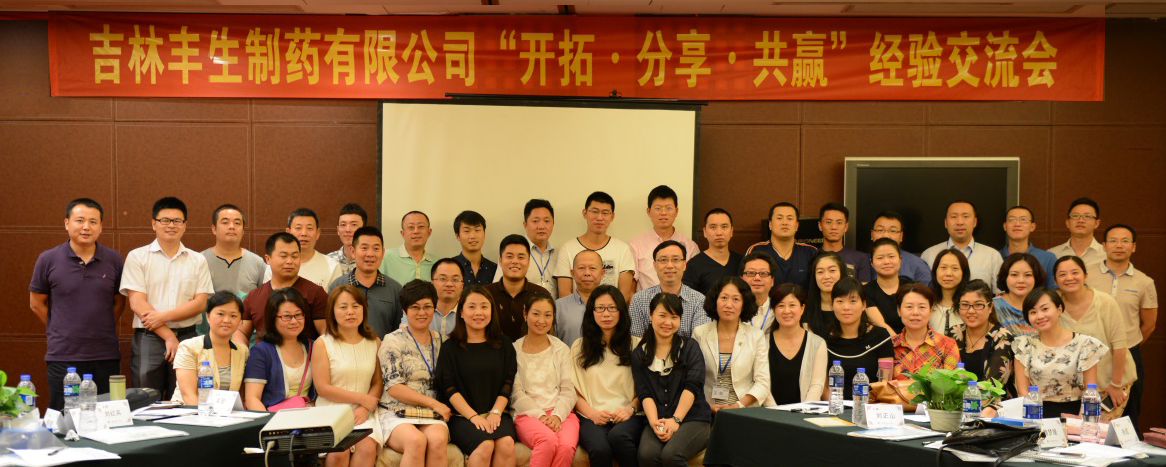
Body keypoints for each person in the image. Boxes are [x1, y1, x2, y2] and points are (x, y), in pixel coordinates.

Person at [29, 198, 125, 410]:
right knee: (63, 415)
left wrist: (101, 326)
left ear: (101, 226)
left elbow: (119, 302)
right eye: (80, 220)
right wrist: (59, 328)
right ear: (67, 223)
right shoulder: (48, 259)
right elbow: (36, 303)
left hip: (105, 355)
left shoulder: (113, 259)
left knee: (105, 415)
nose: (86, 227)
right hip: (63, 355)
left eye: (93, 222)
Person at [120, 196, 213, 400]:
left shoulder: (198, 260)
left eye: (177, 221)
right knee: (145, 399)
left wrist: (163, 317)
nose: (171, 225)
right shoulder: (137, 257)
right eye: (165, 220)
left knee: (185, 398)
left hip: (188, 337)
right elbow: (137, 302)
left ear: (185, 225)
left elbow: (200, 304)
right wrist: (169, 336)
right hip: (149, 338)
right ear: (153, 223)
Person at [434, 286, 518, 467]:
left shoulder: (504, 344)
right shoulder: (450, 348)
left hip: (497, 413)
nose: (478, 312)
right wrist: (473, 417)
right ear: (461, 312)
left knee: (506, 443)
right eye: (471, 307)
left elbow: (508, 382)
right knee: (485, 444)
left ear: (491, 311)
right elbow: (449, 389)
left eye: (484, 307)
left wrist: (495, 412)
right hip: (462, 416)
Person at [1088, 224, 1157, 428]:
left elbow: (1149, 324)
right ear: (1103, 246)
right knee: (1089, 412)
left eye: (1125, 241)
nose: (1119, 245)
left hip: (1128, 354)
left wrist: (1124, 348)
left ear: (1133, 247)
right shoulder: (1086, 275)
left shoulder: (1144, 282)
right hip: (1091, 353)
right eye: (1113, 241)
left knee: (1128, 413)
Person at [377, 280, 451, 467]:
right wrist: (434, 403)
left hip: (431, 413)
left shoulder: (443, 341)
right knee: (416, 440)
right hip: (395, 411)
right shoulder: (392, 340)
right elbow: (394, 388)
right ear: (404, 311)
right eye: (415, 307)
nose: (421, 312)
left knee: (438, 439)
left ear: (434, 308)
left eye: (427, 307)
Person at [632, 293, 711, 467]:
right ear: (650, 315)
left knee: (672, 455)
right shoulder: (640, 353)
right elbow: (644, 393)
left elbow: (692, 387)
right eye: (662, 315)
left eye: (674, 317)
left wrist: (675, 420)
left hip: (693, 418)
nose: (668, 322)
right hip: (658, 418)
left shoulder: (690, 347)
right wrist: (654, 422)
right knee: (646, 455)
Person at [1054, 256, 1136, 420]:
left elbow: (1120, 346)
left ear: (1086, 276)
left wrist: (1115, 385)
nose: (1069, 278)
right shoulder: (1054, 305)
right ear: (1055, 281)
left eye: (1075, 272)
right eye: (1062, 274)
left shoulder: (1105, 302)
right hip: (1074, 390)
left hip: (1110, 383)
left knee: (1098, 432)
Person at [571, 285, 644, 467]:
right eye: (600, 308)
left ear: (621, 312)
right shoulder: (579, 347)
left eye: (612, 308)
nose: (606, 314)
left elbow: (646, 389)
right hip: (592, 415)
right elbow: (573, 391)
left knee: (620, 438)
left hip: (630, 415)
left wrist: (629, 410)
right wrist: (593, 414)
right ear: (592, 312)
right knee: (599, 449)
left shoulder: (636, 345)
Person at [313, 285, 383, 467]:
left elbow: (377, 382)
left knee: (367, 448)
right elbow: (322, 388)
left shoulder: (374, 342)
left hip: (363, 411)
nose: (350, 312)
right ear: (332, 312)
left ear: (363, 309)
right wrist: (362, 398)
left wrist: (364, 408)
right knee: (339, 452)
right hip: (332, 410)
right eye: (343, 307)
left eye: (355, 306)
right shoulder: (323, 343)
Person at [1013, 288, 1106, 417]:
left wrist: (1080, 421)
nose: (1040, 316)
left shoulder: (1085, 344)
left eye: (1045, 309)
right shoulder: (1024, 345)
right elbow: (1023, 392)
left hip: (1074, 413)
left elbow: (1089, 391)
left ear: (1059, 309)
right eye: (1033, 312)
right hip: (1035, 414)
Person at [512, 293, 579, 467]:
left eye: (547, 315)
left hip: (561, 413)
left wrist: (556, 415)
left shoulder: (561, 349)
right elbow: (516, 393)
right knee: (547, 440)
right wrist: (540, 416)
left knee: (565, 446)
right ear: (525, 314)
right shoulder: (514, 351)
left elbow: (568, 390)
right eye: (536, 314)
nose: (541, 320)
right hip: (528, 414)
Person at [693, 277, 770, 411]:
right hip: (706, 409)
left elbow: (762, 383)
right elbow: (692, 378)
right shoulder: (700, 333)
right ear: (715, 301)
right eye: (724, 298)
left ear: (744, 304)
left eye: (736, 299)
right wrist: (707, 407)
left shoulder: (756, 336)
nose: (729, 305)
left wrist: (737, 406)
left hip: (743, 410)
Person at [238, 233, 329, 342]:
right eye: (283, 256)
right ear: (268, 259)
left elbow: (326, 336)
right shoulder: (254, 296)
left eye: (295, 256)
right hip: (263, 353)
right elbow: (241, 332)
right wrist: (242, 348)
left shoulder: (316, 293)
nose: (290, 261)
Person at [553, 192, 636, 303]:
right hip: (576, 313)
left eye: (605, 213)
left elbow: (624, 294)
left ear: (612, 217)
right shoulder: (568, 248)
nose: (599, 218)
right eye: (595, 212)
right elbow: (564, 293)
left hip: (611, 312)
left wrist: (604, 311)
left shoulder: (622, 249)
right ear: (585, 213)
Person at [243, 288, 316, 411]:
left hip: (309, 415)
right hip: (274, 417)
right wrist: (270, 422)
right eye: (286, 316)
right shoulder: (261, 352)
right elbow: (252, 399)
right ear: (273, 319)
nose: (294, 321)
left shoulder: (313, 347)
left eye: (298, 315)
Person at [949, 280, 1015, 414]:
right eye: (965, 305)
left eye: (978, 305)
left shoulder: (1002, 337)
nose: (971, 311)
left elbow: (990, 388)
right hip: (956, 409)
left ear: (990, 307)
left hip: (991, 411)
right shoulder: (954, 333)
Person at [173, 291, 249, 404]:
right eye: (220, 314)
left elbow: (241, 395)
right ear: (207, 316)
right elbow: (188, 395)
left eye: (233, 316)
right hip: (190, 410)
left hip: (225, 412)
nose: (226, 320)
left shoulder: (243, 352)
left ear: (240, 321)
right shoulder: (189, 347)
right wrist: (204, 415)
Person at [328, 226, 403, 338]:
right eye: (364, 248)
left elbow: (399, 330)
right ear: (353, 251)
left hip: (383, 348)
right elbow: (330, 326)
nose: (370, 254)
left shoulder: (395, 289)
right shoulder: (337, 286)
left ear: (383, 253)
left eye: (376, 249)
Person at [824, 278, 893, 398]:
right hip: (835, 405)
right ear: (832, 305)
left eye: (853, 301)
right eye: (840, 301)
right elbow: (824, 387)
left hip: (871, 405)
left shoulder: (880, 337)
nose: (846, 307)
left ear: (863, 305)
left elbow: (885, 383)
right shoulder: (824, 340)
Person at [920, 201, 1004, 292]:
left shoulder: (992, 256)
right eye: (954, 217)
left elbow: (999, 295)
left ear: (975, 222)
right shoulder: (929, 255)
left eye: (965, 216)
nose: (959, 222)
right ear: (946, 223)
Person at [629, 241, 707, 338]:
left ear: (684, 265)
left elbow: (699, 340)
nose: (669, 266)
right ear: (655, 266)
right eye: (663, 260)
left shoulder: (699, 301)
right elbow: (636, 340)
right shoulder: (639, 300)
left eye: (675, 259)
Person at [629, 185, 700, 292]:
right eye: (658, 208)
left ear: (676, 211)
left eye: (669, 208)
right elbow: (631, 289)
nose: (663, 213)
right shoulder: (636, 245)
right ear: (648, 211)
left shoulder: (690, 246)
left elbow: (694, 284)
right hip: (646, 302)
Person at [766, 284, 828, 404]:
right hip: (769, 412)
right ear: (773, 309)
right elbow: (761, 384)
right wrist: (774, 411)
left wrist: (804, 411)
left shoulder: (817, 343)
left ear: (802, 308)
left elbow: (817, 385)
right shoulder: (762, 342)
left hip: (805, 412)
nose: (786, 311)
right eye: (781, 306)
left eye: (792, 305)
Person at [199, 204, 264, 310]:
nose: (232, 227)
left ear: (243, 231)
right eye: (225, 222)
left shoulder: (257, 263)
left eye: (237, 223)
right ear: (214, 229)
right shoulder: (199, 260)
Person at [486, 235, 550, 341]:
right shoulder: (486, 294)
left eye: (521, 257)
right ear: (500, 261)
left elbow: (548, 332)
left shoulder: (541, 294)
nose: (515, 261)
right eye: (509, 256)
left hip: (531, 350)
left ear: (528, 262)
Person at [890, 284, 960, 379]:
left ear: (930, 310)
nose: (915, 312)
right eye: (909, 307)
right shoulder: (890, 345)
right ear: (899, 310)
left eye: (922, 307)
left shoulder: (948, 345)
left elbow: (951, 384)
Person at [491, 199, 559, 296]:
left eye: (547, 221)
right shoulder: (512, 252)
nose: (541, 226)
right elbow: (498, 288)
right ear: (525, 225)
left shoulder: (559, 254)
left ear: (553, 224)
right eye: (535, 221)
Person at [263, 208, 342, 288]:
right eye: (298, 228)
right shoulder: (274, 265)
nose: (304, 233)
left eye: (309, 228)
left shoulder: (332, 266)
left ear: (317, 233)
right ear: (288, 232)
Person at [745, 202, 817, 289]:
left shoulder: (810, 252)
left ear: (797, 226)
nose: (784, 222)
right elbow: (745, 286)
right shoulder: (756, 250)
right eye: (779, 218)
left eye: (789, 218)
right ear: (770, 225)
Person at [682, 208, 742, 296]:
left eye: (724, 227)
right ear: (705, 232)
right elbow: (688, 299)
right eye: (713, 227)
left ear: (731, 231)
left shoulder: (742, 262)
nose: (719, 233)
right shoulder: (694, 265)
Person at [999, 205, 1057, 288]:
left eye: (1023, 220)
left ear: (1032, 227)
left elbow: (1053, 292)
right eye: (1012, 219)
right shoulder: (995, 257)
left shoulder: (1048, 258)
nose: (1017, 224)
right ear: (1005, 226)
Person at [555, 250, 603, 348]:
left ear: (602, 273)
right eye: (581, 268)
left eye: (592, 268)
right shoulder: (558, 306)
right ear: (572, 273)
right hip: (567, 358)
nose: (587, 273)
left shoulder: (612, 306)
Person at [863, 238, 912, 335]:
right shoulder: (865, 291)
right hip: (882, 341)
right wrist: (900, 343)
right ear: (872, 263)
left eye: (891, 256)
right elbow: (880, 324)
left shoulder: (912, 288)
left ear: (900, 260)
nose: (886, 262)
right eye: (880, 258)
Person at [869, 211, 930, 285]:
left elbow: (927, 291)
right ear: (872, 234)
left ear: (901, 236)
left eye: (893, 231)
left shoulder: (917, 264)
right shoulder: (861, 261)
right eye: (880, 230)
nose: (886, 235)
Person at [993, 253, 1045, 338]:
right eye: (1014, 275)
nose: (1021, 280)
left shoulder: (1045, 305)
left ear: (1036, 278)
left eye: (1027, 275)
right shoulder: (992, 306)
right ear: (1005, 277)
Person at [817, 203, 872, 282]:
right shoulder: (811, 256)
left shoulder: (860, 258)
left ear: (846, 227)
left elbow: (864, 288)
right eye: (828, 222)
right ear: (820, 226)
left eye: (839, 223)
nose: (834, 227)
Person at [800, 252, 850, 338]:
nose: (826, 276)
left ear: (841, 272)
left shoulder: (853, 306)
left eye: (832, 270)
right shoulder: (804, 309)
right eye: (820, 272)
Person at [381, 211, 438, 284]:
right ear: (402, 233)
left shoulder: (437, 263)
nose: (416, 231)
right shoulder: (385, 257)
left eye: (421, 226)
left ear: (429, 232)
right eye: (411, 227)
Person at [1049, 197, 1105, 268]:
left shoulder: (1106, 255)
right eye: (1075, 216)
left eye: (1087, 216)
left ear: (1096, 223)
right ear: (1067, 223)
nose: (1081, 220)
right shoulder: (1052, 255)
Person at [928, 249, 969, 337]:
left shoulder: (970, 306)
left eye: (955, 268)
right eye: (943, 267)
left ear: (964, 272)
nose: (948, 273)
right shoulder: (927, 303)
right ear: (935, 271)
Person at [452, 210, 497, 287]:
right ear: (457, 236)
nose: (473, 236)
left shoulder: (494, 269)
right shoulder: (449, 266)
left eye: (477, 230)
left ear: (484, 234)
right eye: (467, 231)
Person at [327, 203, 367, 278]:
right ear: (338, 230)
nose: (347, 230)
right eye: (343, 225)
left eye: (354, 225)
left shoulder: (370, 260)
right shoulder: (328, 261)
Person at [740, 254, 776, 331]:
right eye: (751, 273)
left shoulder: (779, 310)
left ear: (772, 281)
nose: (757, 278)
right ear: (741, 279)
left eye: (763, 273)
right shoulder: (733, 309)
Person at [430, 258, 463, 339]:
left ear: (462, 285)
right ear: (432, 284)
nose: (449, 284)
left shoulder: (469, 313)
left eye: (455, 280)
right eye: (442, 279)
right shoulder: (420, 311)